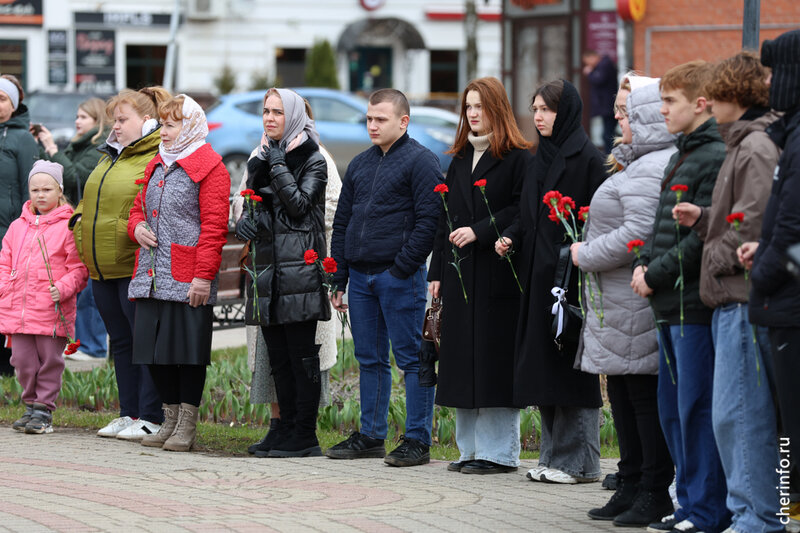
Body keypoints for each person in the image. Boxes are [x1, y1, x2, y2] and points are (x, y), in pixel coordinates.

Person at [672, 51, 784, 533]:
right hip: (729, 296)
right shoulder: (741, 143)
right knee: (732, 415)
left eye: (715, 93)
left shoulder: (754, 146)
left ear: (732, 94)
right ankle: (752, 513)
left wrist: (713, 257)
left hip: (739, 296)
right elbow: (734, 221)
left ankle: (756, 517)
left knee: (740, 415)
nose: (708, 102)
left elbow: (752, 225)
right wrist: (704, 221)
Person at [629, 61, 729, 533]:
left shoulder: (714, 155)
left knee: (696, 410)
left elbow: (700, 238)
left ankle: (707, 511)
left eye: (670, 101)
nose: (662, 110)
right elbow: (661, 226)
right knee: (672, 412)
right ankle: (688, 506)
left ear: (701, 104)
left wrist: (655, 274)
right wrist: (642, 262)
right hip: (668, 306)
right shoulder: (680, 155)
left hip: (692, 306)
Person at [572, 75, 676, 524]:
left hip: (633, 300)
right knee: (623, 393)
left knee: (641, 398)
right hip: (618, 300)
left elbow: (639, 232)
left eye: (625, 112)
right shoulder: (638, 163)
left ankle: (653, 489)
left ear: (647, 118)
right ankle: (631, 482)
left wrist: (585, 253)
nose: (618, 119)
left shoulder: (652, 167)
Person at [496, 79, 606, 484]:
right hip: (537, 278)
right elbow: (529, 215)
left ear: (567, 112)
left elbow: (596, 220)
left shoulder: (588, 159)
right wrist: (512, 236)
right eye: (536, 109)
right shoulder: (538, 156)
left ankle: (580, 464)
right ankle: (553, 457)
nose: (539, 116)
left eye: (547, 109)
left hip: (570, 280)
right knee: (544, 368)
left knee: (571, 370)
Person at [327, 89, 442, 466]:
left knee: (412, 358)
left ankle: (417, 440)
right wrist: (339, 277)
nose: (372, 125)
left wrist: (401, 268)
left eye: (381, 119)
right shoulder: (360, 163)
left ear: (403, 122)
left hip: (399, 278)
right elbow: (342, 222)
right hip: (361, 279)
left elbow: (430, 221)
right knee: (369, 359)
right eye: (369, 119)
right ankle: (371, 436)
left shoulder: (421, 161)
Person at [427, 77, 532, 475]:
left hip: (496, 274)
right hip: (459, 276)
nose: (472, 113)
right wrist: (436, 271)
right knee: (460, 363)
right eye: (468, 107)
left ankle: (499, 454)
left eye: (480, 106)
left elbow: (521, 211)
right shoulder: (458, 160)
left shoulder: (518, 158)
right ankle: (469, 450)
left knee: (493, 362)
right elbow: (445, 219)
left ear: (497, 109)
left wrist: (481, 231)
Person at [231, 99, 342, 457]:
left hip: (300, 271)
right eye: (266, 111)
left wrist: (278, 164)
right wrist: (245, 222)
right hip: (267, 271)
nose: (269, 118)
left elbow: (299, 207)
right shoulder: (258, 159)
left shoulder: (314, 158)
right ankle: (284, 430)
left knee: (301, 356)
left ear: (294, 116)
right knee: (278, 357)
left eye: (277, 112)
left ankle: (305, 435)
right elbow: (258, 209)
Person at [127, 94, 229, 452]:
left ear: (190, 127)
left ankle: (186, 425)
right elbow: (137, 208)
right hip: (152, 274)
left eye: (171, 125)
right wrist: (136, 227)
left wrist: (203, 277)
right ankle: (169, 420)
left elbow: (214, 227)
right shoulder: (157, 162)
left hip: (187, 276)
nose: (164, 132)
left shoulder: (210, 167)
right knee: (152, 352)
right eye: (163, 125)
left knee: (187, 354)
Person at [71, 86, 171, 440]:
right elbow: (89, 199)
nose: (115, 126)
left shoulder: (154, 156)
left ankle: (151, 416)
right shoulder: (109, 155)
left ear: (147, 120)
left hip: (133, 266)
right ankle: (129, 413)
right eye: (114, 120)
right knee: (122, 343)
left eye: (122, 120)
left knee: (143, 344)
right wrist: (78, 223)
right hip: (102, 268)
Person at [743, 29, 800, 528]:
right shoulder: (789, 135)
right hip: (780, 300)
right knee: (784, 421)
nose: (767, 83)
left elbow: (792, 228)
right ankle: (785, 506)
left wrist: (762, 272)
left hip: (787, 302)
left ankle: (782, 507)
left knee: (791, 424)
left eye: (774, 72)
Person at [0, 161, 88, 433]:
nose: (40, 195)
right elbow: (4, 261)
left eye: (47, 189)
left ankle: (43, 410)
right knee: (21, 361)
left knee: (49, 361)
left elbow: (79, 269)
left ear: (59, 190)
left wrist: (63, 288)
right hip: (18, 309)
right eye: (35, 189)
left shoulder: (69, 226)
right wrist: (4, 286)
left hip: (51, 308)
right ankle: (30, 405)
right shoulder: (17, 226)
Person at [33, 97, 110, 360]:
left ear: (98, 121)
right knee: (75, 288)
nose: (77, 121)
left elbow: (73, 175)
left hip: (88, 226)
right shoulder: (79, 146)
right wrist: (44, 148)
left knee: (87, 290)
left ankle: (94, 346)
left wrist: (53, 148)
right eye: (77, 116)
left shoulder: (98, 148)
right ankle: (81, 344)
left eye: (84, 117)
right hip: (74, 226)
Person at [0, 74, 38, 377]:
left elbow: (32, 190)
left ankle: (7, 369)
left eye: (2, 99)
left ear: (13, 105)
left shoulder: (22, 139)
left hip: (8, 234)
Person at [583, 50, 619, 154]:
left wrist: (590, 73)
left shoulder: (605, 65)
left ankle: (610, 156)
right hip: (606, 106)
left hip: (608, 105)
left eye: (588, 62)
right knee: (608, 133)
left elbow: (599, 80)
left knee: (608, 134)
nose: (588, 65)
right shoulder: (603, 65)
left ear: (593, 57)